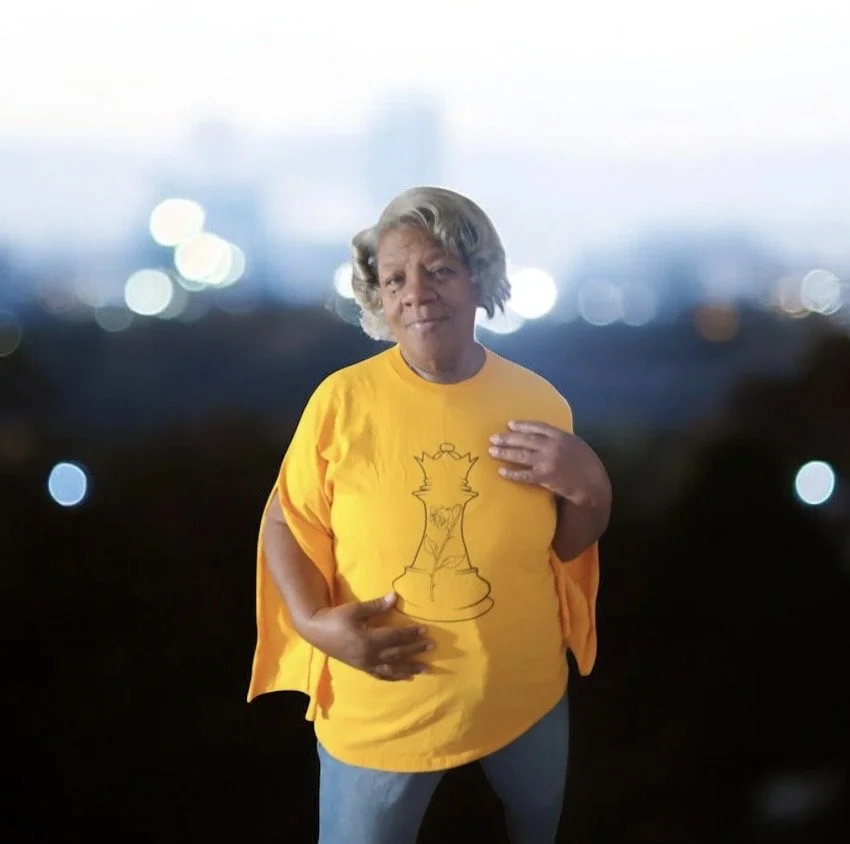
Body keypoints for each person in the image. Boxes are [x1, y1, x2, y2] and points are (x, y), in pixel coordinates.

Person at [247, 186, 610, 843]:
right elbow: (284, 519)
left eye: (439, 270)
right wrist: (312, 623)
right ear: (378, 297)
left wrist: (592, 489)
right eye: (395, 278)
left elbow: (564, 544)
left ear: (479, 279)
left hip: (526, 696)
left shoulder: (539, 402)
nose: (416, 292)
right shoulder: (340, 402)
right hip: (381, 711)